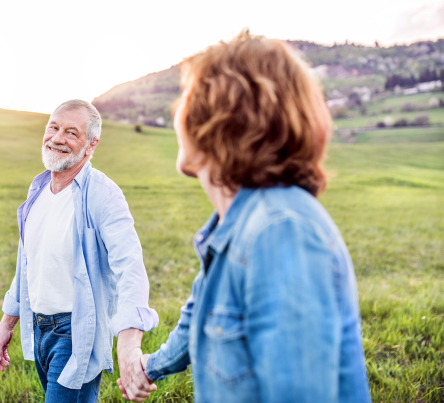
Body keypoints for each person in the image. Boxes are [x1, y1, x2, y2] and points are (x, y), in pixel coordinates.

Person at [118, 32, 372, 402]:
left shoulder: (279, 232)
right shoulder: (236, 224)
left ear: (218, 117)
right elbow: (200, 322)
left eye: (187, 96)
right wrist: (149, 367)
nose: (177, 110)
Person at [0, 100, 159, 402]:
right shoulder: (37, 191)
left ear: (91, 146)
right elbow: (28, 264)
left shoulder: (103, 195)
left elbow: (130, 267)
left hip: (75, 331)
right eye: (53, 127)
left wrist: (129, 344)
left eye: (71, 132)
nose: (57, 138)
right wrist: (6, 325)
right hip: (39, 328)